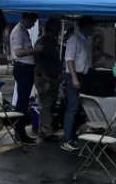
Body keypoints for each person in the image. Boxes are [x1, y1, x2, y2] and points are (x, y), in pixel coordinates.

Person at [61, 17, 94, 152]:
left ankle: (72, 135)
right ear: (87, 26)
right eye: (93, 26)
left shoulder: (84, 40)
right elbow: (69, 59)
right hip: (75, 76)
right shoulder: (75, 39)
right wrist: (74, 78)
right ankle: (67, 139)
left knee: (78, 108)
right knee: (73, 108)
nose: (94, 29)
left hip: (82, 75)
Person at [9, 14, 40, 146]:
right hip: (22, 68)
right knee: (22, 102)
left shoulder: (23, 30)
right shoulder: (18, 31)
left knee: (24, 100)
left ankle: (20, 131)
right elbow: (18, 52)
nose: (33, 24)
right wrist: (35, 50)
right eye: (33, 21)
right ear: (27, 18)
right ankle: (20, 132)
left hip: (26, 68)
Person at [33, 19, 63, 142]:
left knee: (50, 104)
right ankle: (47, 131)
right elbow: (37, 59)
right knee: (45, 104)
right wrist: (43, 74)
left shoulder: (54, 42)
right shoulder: (42, 42)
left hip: (53, 77)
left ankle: (45, 129)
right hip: (44, 77)